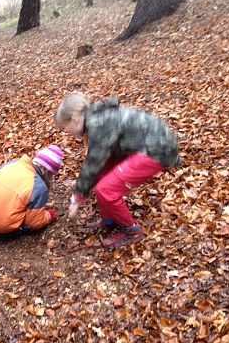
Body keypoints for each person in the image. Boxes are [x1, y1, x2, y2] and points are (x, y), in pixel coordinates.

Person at [53, 92, 180, 248]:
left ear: (74, 118)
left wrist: (77, 199)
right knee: (102, 176)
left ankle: (131, 231)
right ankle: (110, 220)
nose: (68, 132)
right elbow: (98, 165)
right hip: (141, 145)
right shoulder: (95, 117)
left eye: (66, 127)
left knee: (106, 189)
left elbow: (92, 163)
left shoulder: (98, 124)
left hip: (157, 150)